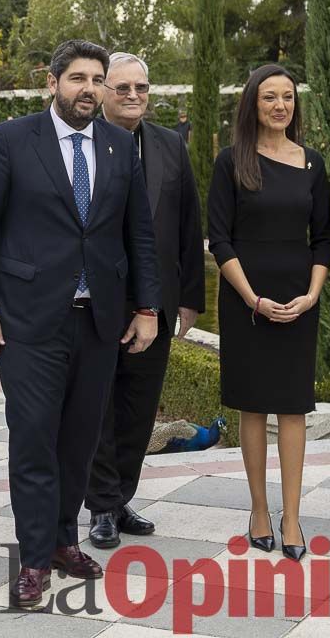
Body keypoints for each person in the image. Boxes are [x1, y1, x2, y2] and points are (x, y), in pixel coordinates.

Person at [0, 39, 160, 609]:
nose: (89, 89)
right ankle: (32, 557)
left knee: (79, 442)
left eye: (97, 79)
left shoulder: (121, 147)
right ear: (53, 83)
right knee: (33, 441)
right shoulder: (12, 139)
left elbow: (138, 235)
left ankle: (64, 541)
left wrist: (146, 308)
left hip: (97, 321)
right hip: (28, 324)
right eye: (77, 78)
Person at [207, 64, 330, 562]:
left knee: (293, 406)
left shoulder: (312, 164)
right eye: (268, 98)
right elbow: (220, 238)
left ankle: (293, 516)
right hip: (248, 300)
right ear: (252, 105)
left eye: (287, 97)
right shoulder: (230, 161)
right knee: (253, 405)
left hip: (300, 299)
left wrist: (312, 295)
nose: (280, 106)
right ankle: (260, 510)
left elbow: (323, 237)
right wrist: (252, 298)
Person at [87, 52, 206, 548]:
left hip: (155, 303)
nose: (133, 96)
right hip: (95, 302)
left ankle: (120, 496)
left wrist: (190, 300)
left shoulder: (169, 146)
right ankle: (101, 505)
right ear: (103, 93)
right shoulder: (81, 144)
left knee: (139, 407)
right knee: (99, 407)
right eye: (122, 88)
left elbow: (187, 226)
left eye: (141, 88)